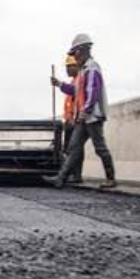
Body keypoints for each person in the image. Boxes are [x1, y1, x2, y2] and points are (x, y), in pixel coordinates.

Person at [45, 33, 117, 189]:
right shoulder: (83, 71)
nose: (74, 57)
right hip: (83, 117)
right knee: (73, 148)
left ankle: (111, 179)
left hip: (92, 117)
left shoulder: (92, 68)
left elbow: (93, 91)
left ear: (83, 50)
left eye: (75, 53)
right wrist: (59, 84)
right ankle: (61, 178)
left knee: (100, 148)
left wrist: (86, 111)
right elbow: (76, 91)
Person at [59, 54, 85, 184]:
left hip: (75, 121)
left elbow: (76, 93)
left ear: (76, 66)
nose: (67, 70)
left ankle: (75, 175)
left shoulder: (79, 80)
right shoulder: (74, 80)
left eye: (70, 67)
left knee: (75, 149)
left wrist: (59, 84)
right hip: (70, 120)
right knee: (71, 149)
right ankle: (73, 175)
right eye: (67, 67)